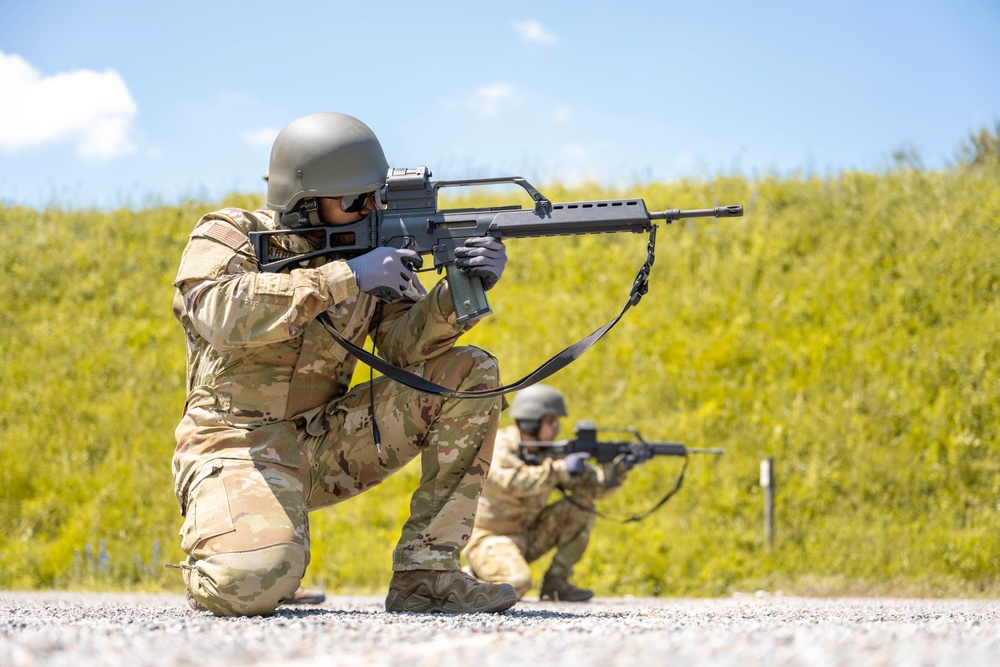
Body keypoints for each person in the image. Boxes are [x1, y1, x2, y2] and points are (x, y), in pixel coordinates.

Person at [170, 111, 516, 616]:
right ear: (304, 202)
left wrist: (459, 290)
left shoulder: (373, 246)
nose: (371, 208)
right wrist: (343, 277)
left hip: (326, 440)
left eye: (375, 196)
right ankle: (243, 539)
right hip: (237, 444)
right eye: (354, 199)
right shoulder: (232, 235)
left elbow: (403, 347)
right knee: (248, 584)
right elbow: (219, 311)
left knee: (469, 374)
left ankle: (428, 574)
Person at [462, 384, 646, 602]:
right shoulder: (500, 446)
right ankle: (471, 577)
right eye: (551, 422)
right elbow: (510, 482)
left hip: (527, 536)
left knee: (581, 505)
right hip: (489, 539)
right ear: (531, 422)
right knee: (516, 584)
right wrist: (558, 470)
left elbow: (593, 488)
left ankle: (556, 583)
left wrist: (621, 468)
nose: (557, 429)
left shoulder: (548, 453)